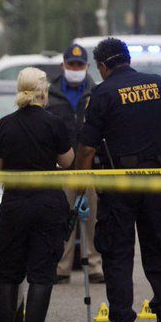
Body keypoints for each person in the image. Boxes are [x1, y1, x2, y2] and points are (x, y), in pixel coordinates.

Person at [76, 37, 161, 322]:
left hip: (119, 189)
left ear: (102, 66)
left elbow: (87, 150)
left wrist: (80, 192)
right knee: (159, 256)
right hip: (157, 184)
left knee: (117, 259)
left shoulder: (101, 94)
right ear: (127, 58)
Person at [0, 67, 74, 322]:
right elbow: (67, 160)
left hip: (14, 205)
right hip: (47, 205)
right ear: (44, 92)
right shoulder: (55, 123)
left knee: (8, 271)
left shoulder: (5, 126)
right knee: (41, 272)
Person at [46, 43, 104, 284]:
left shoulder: (96, 91)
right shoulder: (50, 92)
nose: (76, 68)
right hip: (61, 167)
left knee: (92, 219)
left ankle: (94, 265)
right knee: (62, 219)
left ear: (87, 66)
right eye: (72, 64)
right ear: (63, 65)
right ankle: (62, 266)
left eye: (80, 65)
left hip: (89, 165)